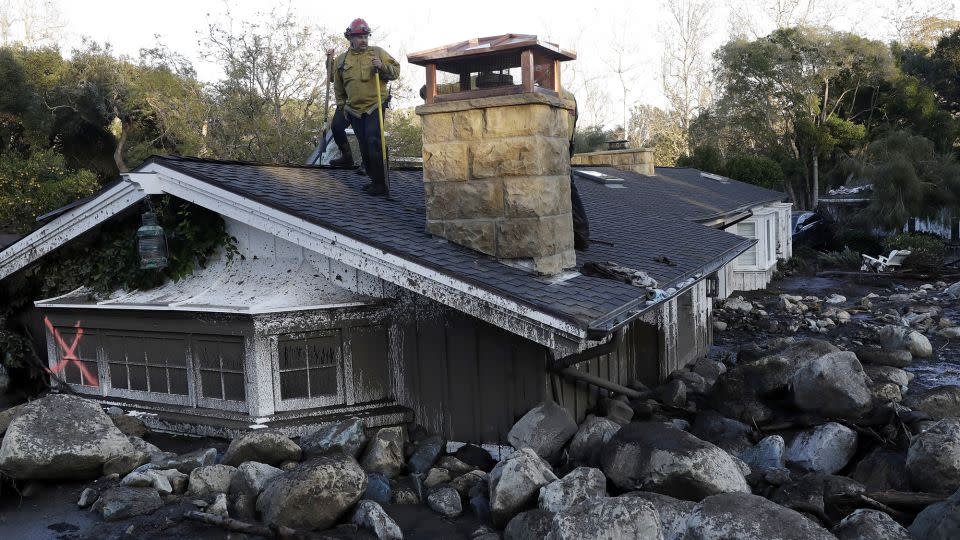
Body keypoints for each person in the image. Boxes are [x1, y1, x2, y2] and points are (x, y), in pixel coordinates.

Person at [333, 18, 400, 196]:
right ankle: (373, 180)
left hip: (375, 104)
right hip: (353, 109)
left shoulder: (377, 52)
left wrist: (382, 66)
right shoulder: (341, 60)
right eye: (360, 37)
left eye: (365, 36)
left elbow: (396, 72)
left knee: (373, 141)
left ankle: (381, 184)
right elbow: (338, 87)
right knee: (363, 145)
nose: (364, 40)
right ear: (350, 38)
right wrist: (342, 107)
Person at [534, 64, 590, 250]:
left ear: (548, 71)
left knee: (568, 192)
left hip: (558, 151)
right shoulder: (569, 96)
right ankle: (577, 234)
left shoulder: (558, 97)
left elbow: (563, 129)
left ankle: (581, 236)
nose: (533, 73)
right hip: (563, 150)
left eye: (537, 68)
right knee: (566, 192)